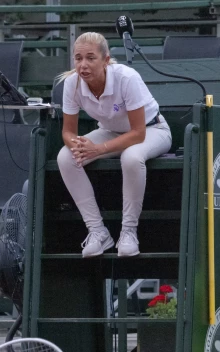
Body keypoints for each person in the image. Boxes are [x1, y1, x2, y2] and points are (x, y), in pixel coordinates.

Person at [57, 32, 172, 257]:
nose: (83, 65)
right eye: (78, 58)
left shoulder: (127, 78)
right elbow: (68, 131)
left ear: (106, 60)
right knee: (66, 157)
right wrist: (78, 145)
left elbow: (138, 134)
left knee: (131, 157)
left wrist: (98, 149)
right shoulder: (71, 84)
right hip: (110, 132)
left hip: (153, 130)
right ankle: (98, 232)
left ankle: (129, 232)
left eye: (90, 58)